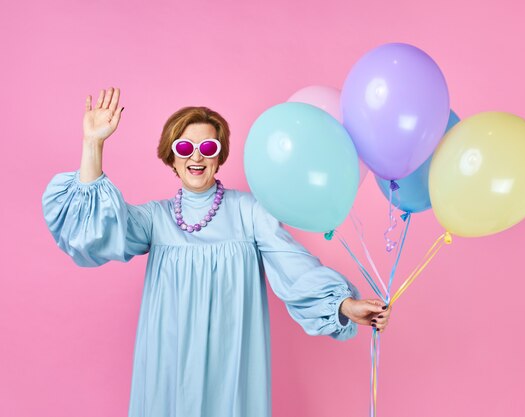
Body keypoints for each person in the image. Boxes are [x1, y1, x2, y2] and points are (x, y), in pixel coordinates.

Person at [42, 87, 392, 417]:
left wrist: (343, 304)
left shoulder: (250, 211)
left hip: (232, 369)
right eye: (184, 149)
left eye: (208, 148)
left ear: (219, 155)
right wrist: (93, 144)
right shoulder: (155, 219)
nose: (196, 157)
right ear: (171, 157)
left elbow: (294, 265)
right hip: (169, 369)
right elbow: (95, 233)